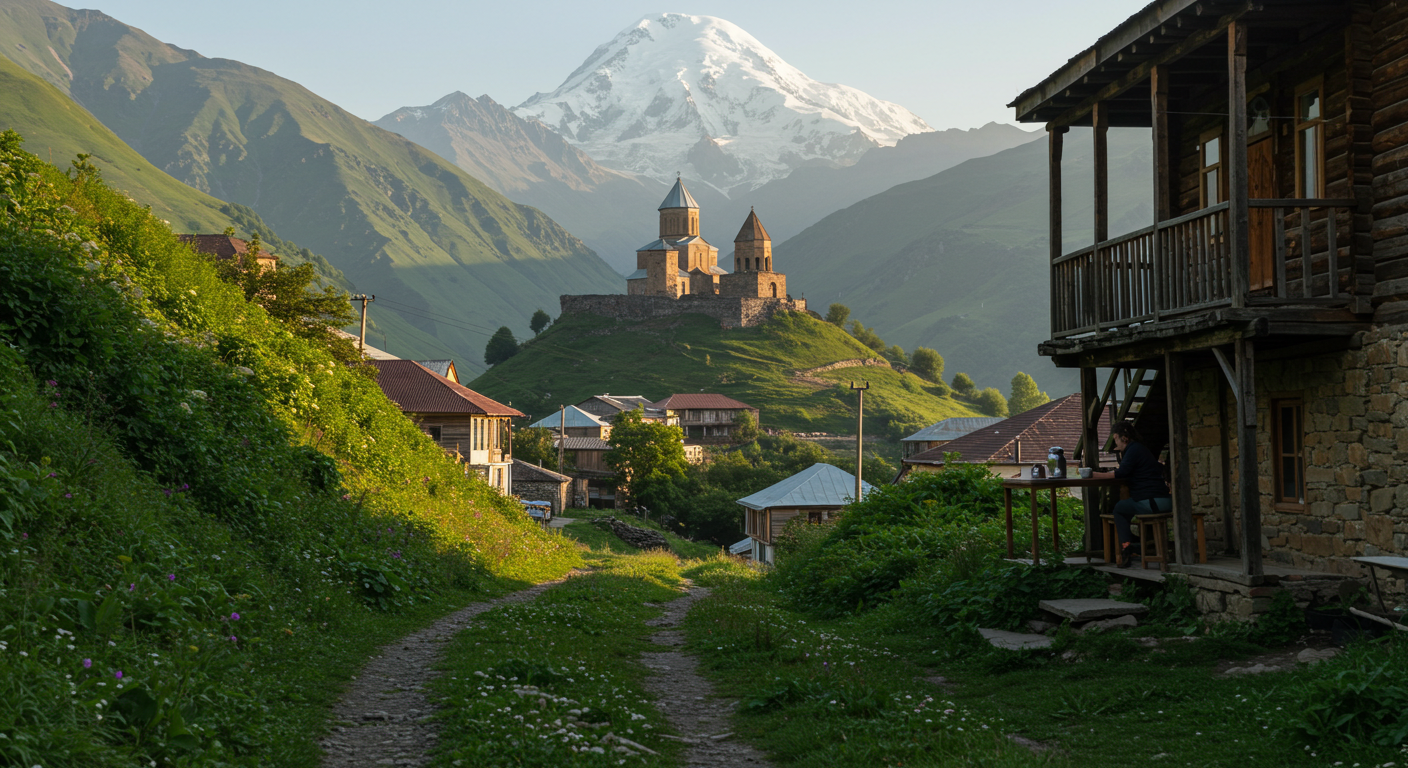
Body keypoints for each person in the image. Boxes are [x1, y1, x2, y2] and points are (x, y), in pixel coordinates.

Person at [1091, 421, 1171, 567]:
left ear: (1123, 437)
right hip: (1164, 500)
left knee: (1120, 509)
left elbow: (1121, 473)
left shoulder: (1133, 450)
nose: (1115, 442)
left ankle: (1127, 547)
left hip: (1152, 502)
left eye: (1115, 438)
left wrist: (1094, 475)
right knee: (1125, 507)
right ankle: (1132, 542)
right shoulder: (1140, 449)